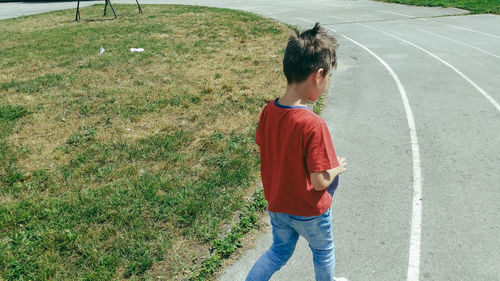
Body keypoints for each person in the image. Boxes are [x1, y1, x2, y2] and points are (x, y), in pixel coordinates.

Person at [246, 22, 348, 281]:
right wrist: (336, 167)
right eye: (327, 78)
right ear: (318, 75)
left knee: (278, 251)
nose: (325, 84)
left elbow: (268, 148)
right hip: (309, 211)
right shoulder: (313, 124)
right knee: (323, 251)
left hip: (278, 205)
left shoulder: (269, 111)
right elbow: (318, 181)